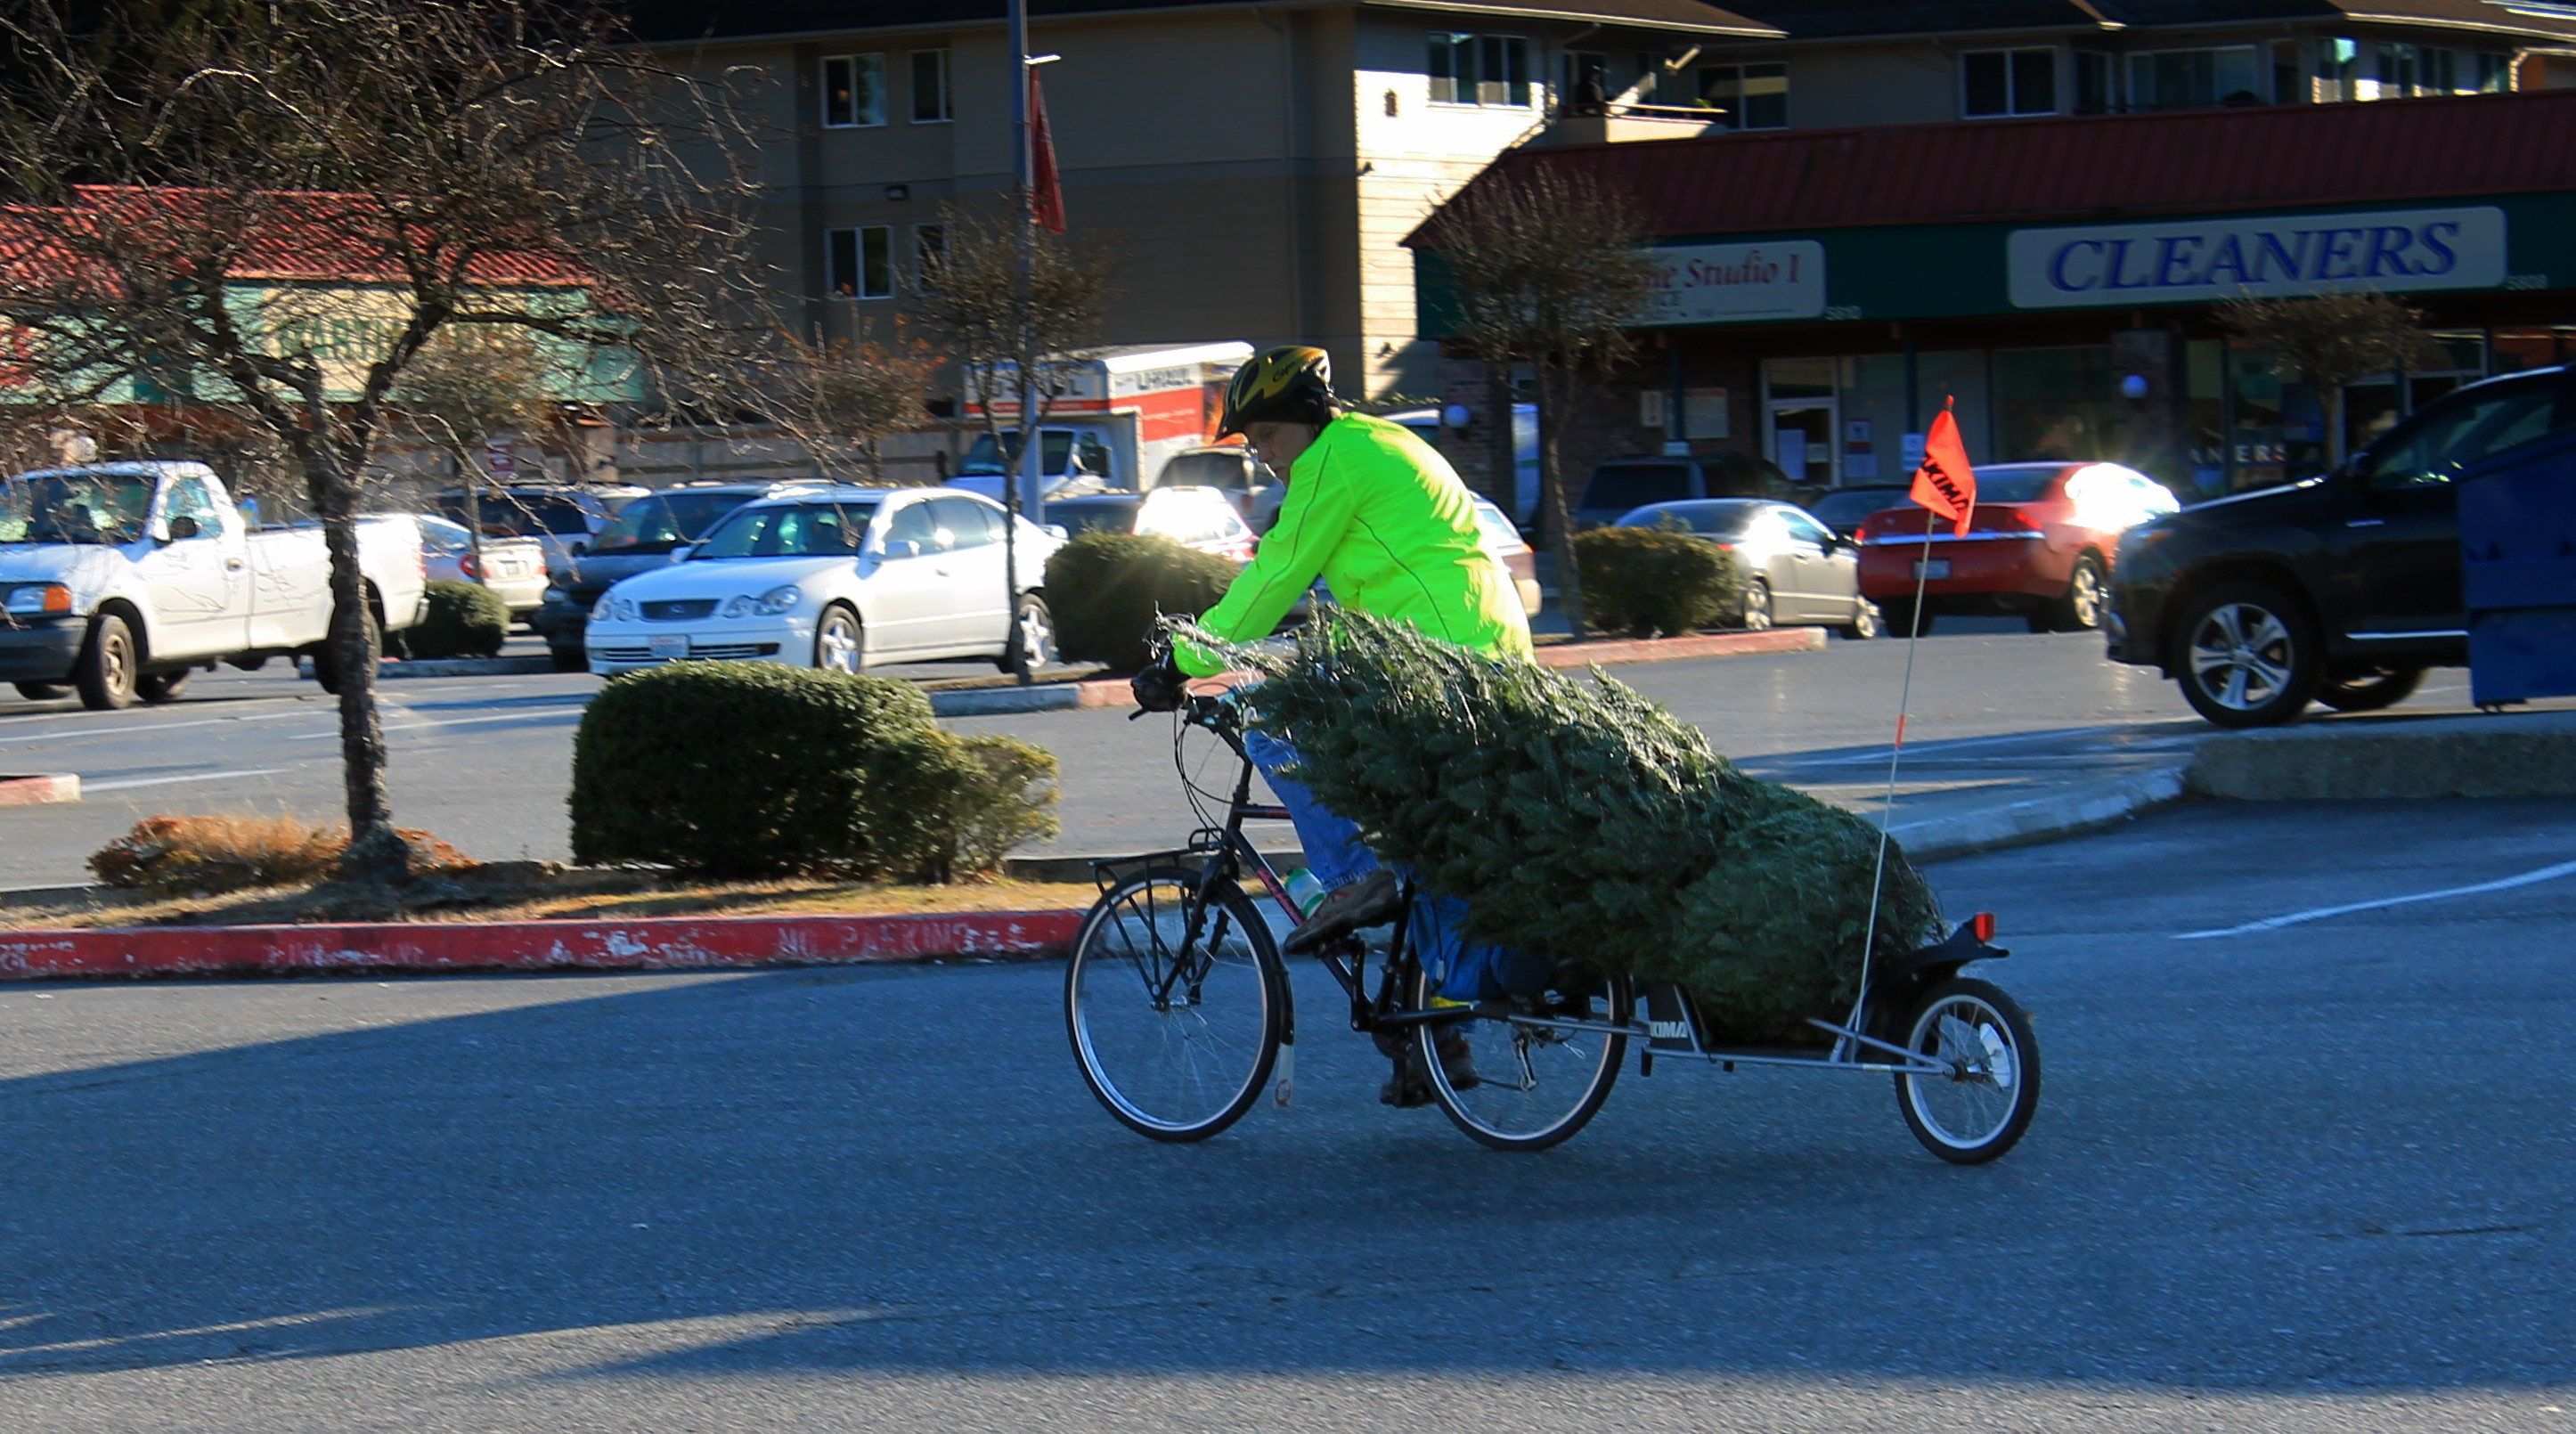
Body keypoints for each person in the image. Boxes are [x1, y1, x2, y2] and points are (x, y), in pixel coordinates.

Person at [1134, 346, 1538, 1104]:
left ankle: (1351, 881)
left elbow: (1273, 575)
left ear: (1302, 421)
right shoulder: (1386, 443)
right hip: (1484, 651)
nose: (1264, 459)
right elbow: (1391, 581)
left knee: (1271, 720)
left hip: (1438, 658)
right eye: (1254, 448)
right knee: (1420, 836)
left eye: (1267, 440)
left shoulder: (1333, 460)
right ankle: (1432, 1042)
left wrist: (1186, 658)